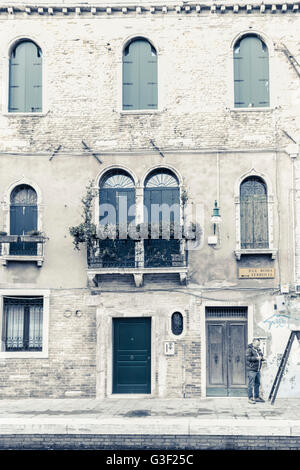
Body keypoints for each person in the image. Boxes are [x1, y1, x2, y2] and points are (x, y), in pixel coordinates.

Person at [245, 338, 266, 404]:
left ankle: (256, 397)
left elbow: (261, 356)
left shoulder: (258, 349)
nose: (258, 345)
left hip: (257, 369)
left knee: (257, 383)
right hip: (252, 370)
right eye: (257, 344)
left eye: (259, 344)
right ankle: (250, 398)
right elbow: (247, 358)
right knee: (251, 384)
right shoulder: (249, 349)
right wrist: (256, 358)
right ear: (253, 343)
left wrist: (262, 358)